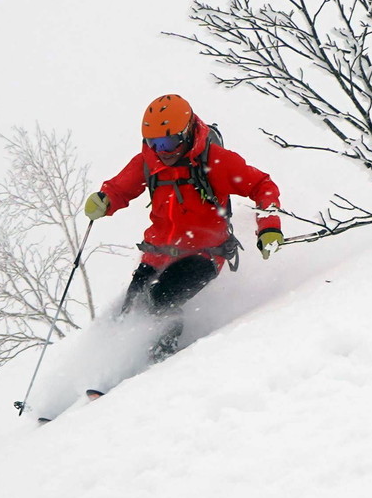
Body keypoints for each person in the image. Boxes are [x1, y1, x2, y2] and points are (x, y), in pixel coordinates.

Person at [83, 94, 283, 362]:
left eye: (167, 141)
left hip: (204, 255)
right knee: (127, 313)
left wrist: (269, 227)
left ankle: (160, 364)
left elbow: (263, 186)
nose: (161, 150)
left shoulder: (215, 161)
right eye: (153, 143)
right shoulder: (149, 161)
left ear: (187, 131)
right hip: (157, 254)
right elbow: (120, 188)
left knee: (158, 304)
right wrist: (105, 200)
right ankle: (103, 371)